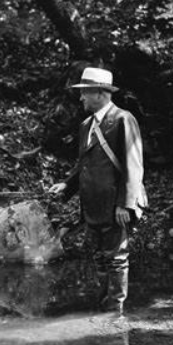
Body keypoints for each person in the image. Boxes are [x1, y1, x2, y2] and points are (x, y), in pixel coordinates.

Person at [50, 67, 147, 316]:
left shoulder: (124, 119)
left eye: (85, 92)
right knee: (99, 259)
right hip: (92, 205)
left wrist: (125, 204)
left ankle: (114, 312)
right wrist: (67, 186)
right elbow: (83, 164)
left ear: (101, 93)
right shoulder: (86, 125)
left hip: (116, 206)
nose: (81, 98)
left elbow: (133, 165)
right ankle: (103, 307)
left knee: (117, 259)